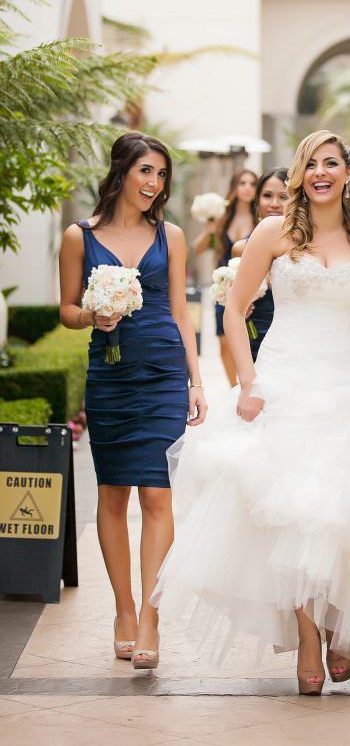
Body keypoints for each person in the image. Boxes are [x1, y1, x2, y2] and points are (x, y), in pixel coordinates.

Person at [152, 131, 350, 695]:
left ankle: (339, 621)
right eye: (311, 163)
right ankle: (309, 636)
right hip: (283, 381)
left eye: (331, 163)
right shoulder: (273, 232)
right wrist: (247, 382)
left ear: (348, 173)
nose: (321, 173)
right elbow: (235, 311)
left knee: (341, 509)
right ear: (298, 173)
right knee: (291, 512)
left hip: (349, 383)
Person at [59, 132, 207, 670]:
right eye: (146, 171)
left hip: (163, 373)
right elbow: (65, 310)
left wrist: (195, 381)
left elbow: (180, 311)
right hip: (110, 377)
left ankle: (150, 615)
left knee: (159, 496)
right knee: (114, 493)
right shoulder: (80, 237)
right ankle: (122, 609)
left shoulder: (171, 235)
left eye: (161, 174)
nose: (154, 183)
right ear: (122, 172)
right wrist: (92, 314)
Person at [194, 169, 257, 385]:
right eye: (242, 183)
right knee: (224, 341)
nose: (247, 187)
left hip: (253, 288)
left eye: (252, 183)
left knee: (249, 339)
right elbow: (198, 249)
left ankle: (248, 382)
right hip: (223, 286)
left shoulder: (260, 220)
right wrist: (210, 230)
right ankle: (233, 387)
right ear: (235, 187)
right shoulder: (222, 219)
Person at [231, 167, 289, 360]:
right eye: (267, 195)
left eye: (283, 196)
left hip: (293, 345)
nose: (274, 203)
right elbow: (233, 307)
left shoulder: (306, 249)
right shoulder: (241, 249)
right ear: (257, 202)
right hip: (255, 343)